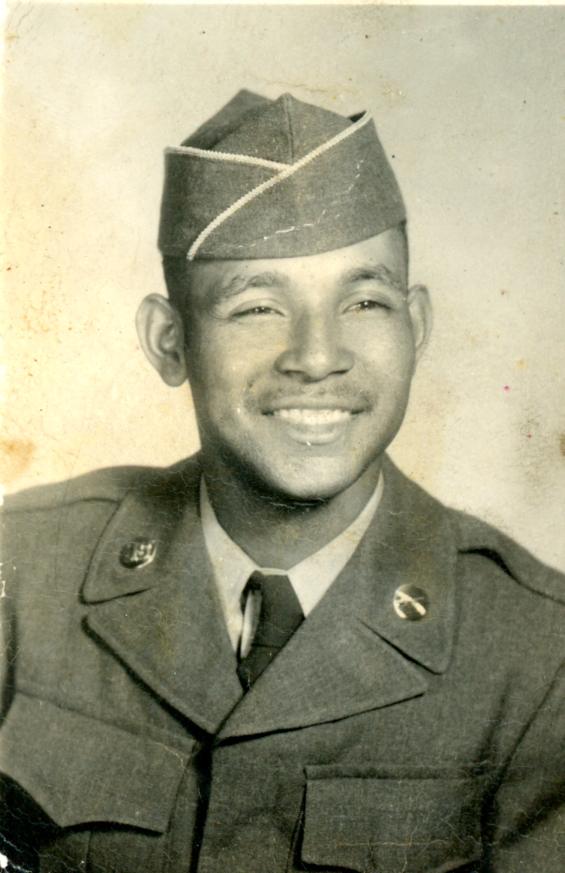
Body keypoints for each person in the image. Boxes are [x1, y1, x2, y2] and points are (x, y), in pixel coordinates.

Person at [1, 90, 564, 873]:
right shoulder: (26, 573)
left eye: (363, 300)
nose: (316, 356)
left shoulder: (538, 658)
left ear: (415, 328)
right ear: (169, 341)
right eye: (258, 306)